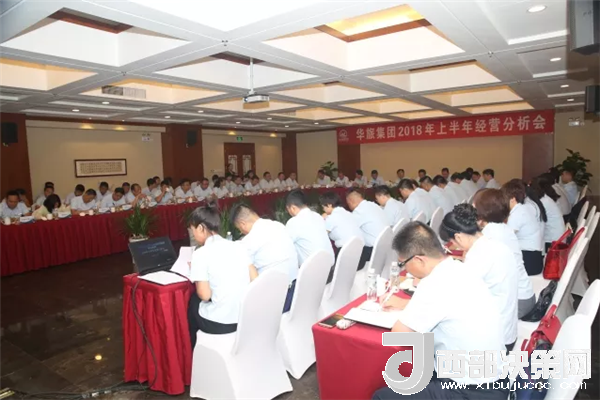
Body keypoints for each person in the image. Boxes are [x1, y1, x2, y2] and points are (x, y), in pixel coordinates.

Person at [373, 222, 508, 400]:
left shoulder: (434, 282)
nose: (405, 270)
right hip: (496, 379)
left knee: (382, 396)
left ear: (419, 260)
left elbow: (400, 334)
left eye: (403, 264)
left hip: (469, 391)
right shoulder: (459, 267)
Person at [440, 204, 519, 350]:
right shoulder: (496, 245)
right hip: (507, 331)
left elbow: (458, 301)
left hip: (494, 341)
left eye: (453, 243)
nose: (455, 247)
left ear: (458, 237)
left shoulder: (478, 256)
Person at [187, 205, 256, 347]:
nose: (193, 235)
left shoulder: (200, 254)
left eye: (193, 230)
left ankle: (196, 351)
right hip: (245, 317)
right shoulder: (238, 246)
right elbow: (255, 279)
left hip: (221, 323)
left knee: (193, 303)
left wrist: (195, 272)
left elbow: (205, 295)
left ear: (200, 228)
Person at [473, 189, 536, 318]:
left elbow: (475, 276)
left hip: (515, 303)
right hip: (524, 296)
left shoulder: (489, 236)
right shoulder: (503, 228)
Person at [231, 204, 298, 312]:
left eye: (240, 229)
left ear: (242, 224)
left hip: (277, 301)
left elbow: (242, 274)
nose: (241, 232)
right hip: (296, 292)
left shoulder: (249, 241)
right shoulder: (278, 225)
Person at [502, 179, 544, 275]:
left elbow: (505, 237)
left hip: (529, 261)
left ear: (512, 199)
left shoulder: (518, 213)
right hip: (534, 258)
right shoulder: (523, 208)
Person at [285, 190, 335, 267]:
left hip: (313, 271)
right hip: (330, 266)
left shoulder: (294, 222)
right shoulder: (317, 216)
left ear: (292, 208)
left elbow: (285, 247)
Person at [346, 189, 388, 268]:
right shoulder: (374, 205)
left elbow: (347, 229)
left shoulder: (359, 211)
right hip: (386, 245)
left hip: (373, 251)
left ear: (350, 202)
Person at [531, 177, 565, 251]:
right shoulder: (546, 199)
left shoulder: (543, 202)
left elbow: (533, 221)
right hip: (556, 238)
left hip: (553, 243)